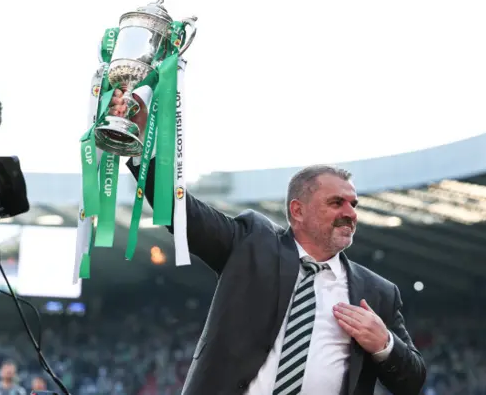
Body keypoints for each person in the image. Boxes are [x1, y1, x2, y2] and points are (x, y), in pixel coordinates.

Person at [110, 90, 426, 394]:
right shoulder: (251, 245)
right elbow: (181, 213)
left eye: (353, 205)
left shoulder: (378, 293)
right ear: (297, 211)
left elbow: (412, 381)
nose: (350, 213)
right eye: (336, 203)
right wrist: (142, 150)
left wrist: (385, 343)